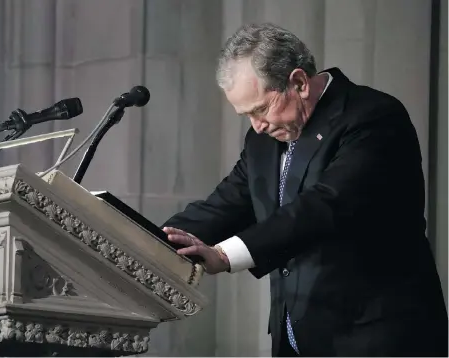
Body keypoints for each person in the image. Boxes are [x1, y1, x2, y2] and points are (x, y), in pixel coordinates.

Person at [162, 23, 448, 356]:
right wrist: (145, 241)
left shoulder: (372, 116)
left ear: (298, 82)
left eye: (260, 109)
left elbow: (326, 205)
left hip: (376, 338)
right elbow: (225, 203)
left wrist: (224, 256)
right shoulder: (262, 138)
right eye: (246, 115)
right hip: (298, 339)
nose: (257, 126)